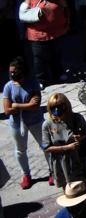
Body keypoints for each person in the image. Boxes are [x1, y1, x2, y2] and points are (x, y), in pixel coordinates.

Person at [3, 58, 44, 190]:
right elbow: (7, 110)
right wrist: (26, 105)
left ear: (22, 70)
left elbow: (36, 105)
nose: (12, 74)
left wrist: (16, 104)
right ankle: (26, 175)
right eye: (10, 72)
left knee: (45, 146)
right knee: (20, 150)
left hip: (36, 121)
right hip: (17, 124)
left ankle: (52, 171)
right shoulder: (8, 87)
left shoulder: (33, 83)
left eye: (15, 71)